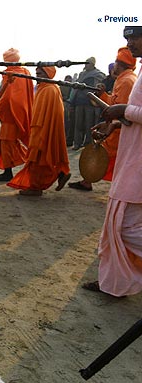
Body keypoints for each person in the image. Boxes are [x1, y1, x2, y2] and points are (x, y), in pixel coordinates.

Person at [81, 26, 142, 298]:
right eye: (128, 40)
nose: (131, 44)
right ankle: (114, 283)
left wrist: (122, 110)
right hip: (131, 153)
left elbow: (133, 110)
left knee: (125, 227)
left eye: (135, 39)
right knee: (115, 224)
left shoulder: (132, 78)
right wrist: (116, 123)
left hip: (136, 162)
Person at [69, 46, 137, 192]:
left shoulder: (127, 81)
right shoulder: (123, 79)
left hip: (119, 129)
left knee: (111, 158)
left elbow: (120, 109)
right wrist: (103, 95)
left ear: (120, 64)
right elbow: (114, 102)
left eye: (116, 62)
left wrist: (111, 123)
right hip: (116, 127)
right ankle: (87, 181)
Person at [7, 66, 71, 196]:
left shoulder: (49, 90)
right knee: (44, 158)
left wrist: (39, 133)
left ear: (48, 73)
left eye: (40, 73)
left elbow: (44, 116)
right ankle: (60, 174)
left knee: (38, 158)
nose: (37, 75)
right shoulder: (48, 88)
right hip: (42, 129)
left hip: (42, 130)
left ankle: (36, 188)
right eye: (36, 73)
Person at [0, 48, 34, 181]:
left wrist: (0, 111)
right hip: (22, 112)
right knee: (15, 143)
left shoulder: (10, 73)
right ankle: (11, 169)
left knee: (6, 143)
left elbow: (8, 97)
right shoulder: (25, 72)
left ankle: (10, 171)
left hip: (11, 115)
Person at [70, 57, 106, 150]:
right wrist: (72, 102)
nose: (86, 65)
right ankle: (77, 143)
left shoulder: (98, 75)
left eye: (88, 63)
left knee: (89, 125)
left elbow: (100, 88)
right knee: (78, 124)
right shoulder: (82, 74)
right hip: (79, 102)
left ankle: (88, 144)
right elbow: (75, 89)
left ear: (93, 64)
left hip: (90, 102)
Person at [60, 75, 74, 147]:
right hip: (65, 105)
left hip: (68, 106)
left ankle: (68, 140)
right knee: (66, 123)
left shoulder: (71, 86)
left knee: (68, 123)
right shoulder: (63, 86)